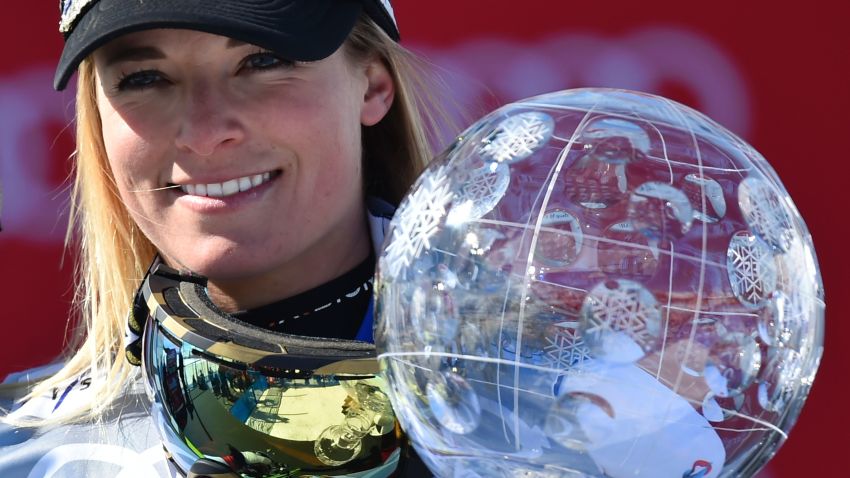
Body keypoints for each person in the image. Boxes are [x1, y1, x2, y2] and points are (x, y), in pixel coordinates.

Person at [0, 0, 448, 476]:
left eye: (262, 61)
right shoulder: (22, 455)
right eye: (145, 77)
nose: (205, 132)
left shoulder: (529, 413)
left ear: (373, 87)